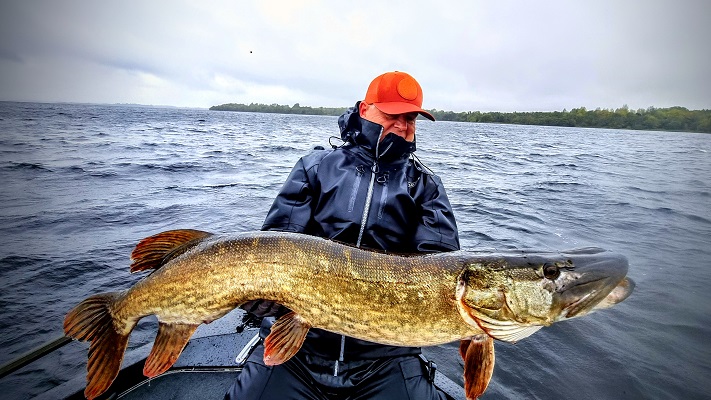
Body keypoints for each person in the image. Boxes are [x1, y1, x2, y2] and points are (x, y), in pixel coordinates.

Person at [225, 71, 460, 400]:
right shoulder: (316, 167)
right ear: (365, 110)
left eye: (410, 118)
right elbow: (277, 246)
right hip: (300, 347)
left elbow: (440, 268)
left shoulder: (425, 187)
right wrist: (261, 295)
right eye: (393, 115)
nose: (403, 126)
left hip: (386, 356)